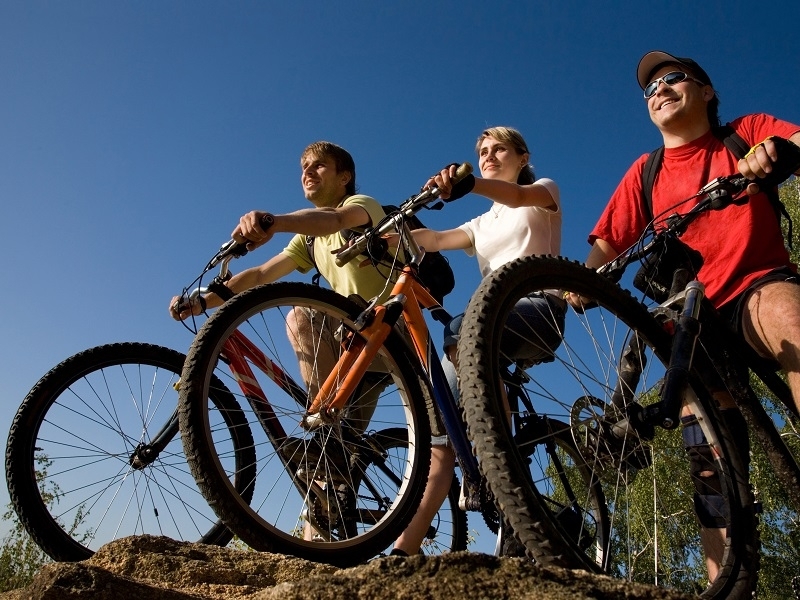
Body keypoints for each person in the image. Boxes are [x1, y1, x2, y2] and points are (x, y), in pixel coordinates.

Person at [577, 50, 800, 581]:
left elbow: (797, 141)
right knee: (708, 462)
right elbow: (606, 244)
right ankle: (725, 584)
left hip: (754, 286)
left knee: (792, 319)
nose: (659, 90)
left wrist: (772, 153)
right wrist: (578, 283)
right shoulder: (646, 171)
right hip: (691, 319)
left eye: (673, 79)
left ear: (706, 91)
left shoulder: (743, 133)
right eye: (650, 88)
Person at [169, 140, 449, 555]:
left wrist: (275, 221)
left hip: (395, 338)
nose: (308, 173)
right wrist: (203, 301)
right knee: (325, 461)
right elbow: (261, 274)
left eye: (319, 166)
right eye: (303, 168)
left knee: (301, 316)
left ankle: (323, 424)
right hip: (352, 351)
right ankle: (314, 545)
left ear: (344, 176)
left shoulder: (362, 207)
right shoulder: (309, 242)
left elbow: (333, 219)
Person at [391, 126, 564, 556]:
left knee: (463, 328)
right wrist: (387, 237)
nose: (488, 155)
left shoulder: (543, 191)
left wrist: (467, 184)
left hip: (536, 309)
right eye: (483, 150)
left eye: (499, 149)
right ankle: (404, 549)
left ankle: (495, 457)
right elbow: (434, 239)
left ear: (522, 157)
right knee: (442, 425)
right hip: (483, 326)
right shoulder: (481, 223)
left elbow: (517, 197)